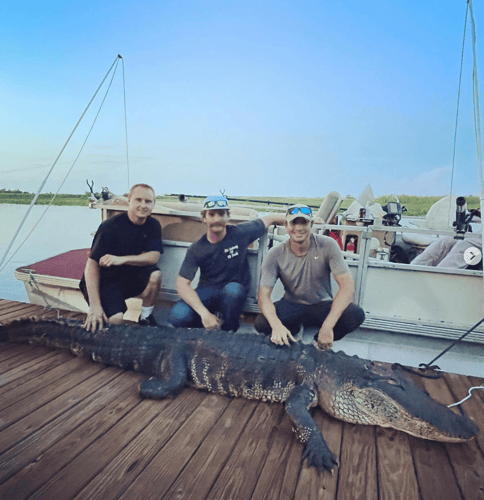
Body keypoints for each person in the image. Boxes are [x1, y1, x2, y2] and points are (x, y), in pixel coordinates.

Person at [254, 204, 365, 349]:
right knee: (261, 323)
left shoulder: (328, 245)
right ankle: (291, 331)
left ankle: (318, 341)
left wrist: (328, 326)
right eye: (294, 222)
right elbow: (263, 296)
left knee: (356, 314)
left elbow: (347, 287)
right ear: (286, 226)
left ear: (311, 224)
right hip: (292, 304)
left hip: (321, 304)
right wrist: (276, 326)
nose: (299, 228)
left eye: (304, 222)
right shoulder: (275, 254)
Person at [169, 195, 285, 332]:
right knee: (178, 315)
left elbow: (269, 219)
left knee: (233, 291)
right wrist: (204, 314)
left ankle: (229, 329)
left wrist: (303, 222)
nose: (217, 219)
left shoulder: (240, 233)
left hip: (234, 291)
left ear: (228, 216)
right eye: (211, 215)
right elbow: (182, 284)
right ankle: (207, 327)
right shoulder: (197, 248)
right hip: (208, 290)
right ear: (204, 218)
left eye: (221, 214)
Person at [80, 183, 163, 332]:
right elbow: (91, 264)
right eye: (138, 200)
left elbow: (154, 256)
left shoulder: (153, 225)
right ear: (129, 200)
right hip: (105, 281)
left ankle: (145, 318)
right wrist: (95, 305)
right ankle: (106, 311)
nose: (143, 205)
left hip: (127, 276)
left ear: (153, 204)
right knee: (115, 322)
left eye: (148, 201)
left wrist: (122, 259)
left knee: (155, 275)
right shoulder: (110, 227)